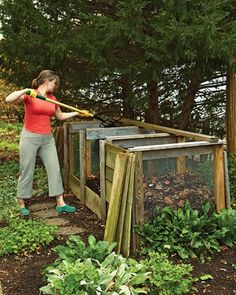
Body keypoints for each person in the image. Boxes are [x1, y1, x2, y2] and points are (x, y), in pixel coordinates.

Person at [6, 70, 79, 216]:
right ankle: (21, 202)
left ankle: (60, 203)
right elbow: (9, 99)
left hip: (47, 138)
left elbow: (60, 115)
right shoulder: (30, 94)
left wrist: (77, 113)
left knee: (54, 168)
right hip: (29, 137)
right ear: (47, 81)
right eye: (54, 83)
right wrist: (25, 90)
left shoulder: (52, 98)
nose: (56, 86)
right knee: (27, 169)